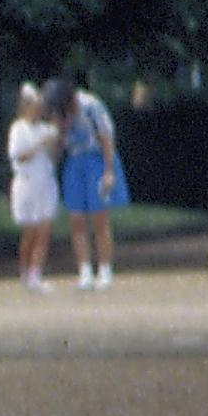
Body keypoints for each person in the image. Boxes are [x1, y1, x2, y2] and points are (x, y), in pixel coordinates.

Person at [52, 72, 127, 290]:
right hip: (75, 160)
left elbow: (105, 138)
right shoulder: (61, 115)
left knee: (99, 218)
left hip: (95, 158)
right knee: (76, 218)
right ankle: (84, 270)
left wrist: (109, 170)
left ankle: (104, 269)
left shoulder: (90, 106)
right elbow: (60, 143)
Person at [8, 83, 63, 292]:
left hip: (45, 182)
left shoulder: (46, 129)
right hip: (27, 182)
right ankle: (24, 270)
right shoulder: (18, 129)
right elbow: (19, 156)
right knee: (30, 230)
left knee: (45, 228)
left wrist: (55, 139)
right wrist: (40, 143)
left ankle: (36, 273)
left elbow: (54, 158)